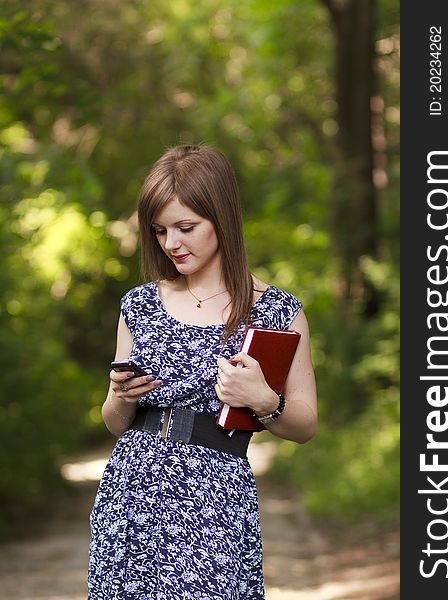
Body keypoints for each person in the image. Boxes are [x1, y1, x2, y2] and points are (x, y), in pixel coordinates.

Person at [88, 144, 317, 599]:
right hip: (131, 492)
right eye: (159, 231)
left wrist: (264, 400)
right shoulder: (140, 305)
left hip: (216, 498)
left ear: (222, 219)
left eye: (186, 227)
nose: (171, 243)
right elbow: (115, 423)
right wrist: (120, 398)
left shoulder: (276, 311)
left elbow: (306, 424)